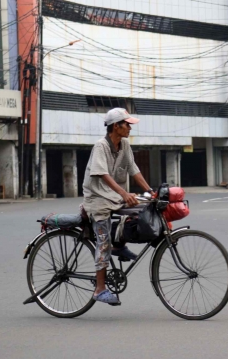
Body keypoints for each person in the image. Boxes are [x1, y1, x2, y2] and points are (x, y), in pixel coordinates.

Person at [82, 107, 155, 305]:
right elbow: (102, 174)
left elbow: (134, 170)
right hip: (97, 199)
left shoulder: (124, 144)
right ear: (116, 126)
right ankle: (99, 289)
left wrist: (150, 191)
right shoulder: (101, 146)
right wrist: (123, 193)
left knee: (141, 209)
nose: (130, 128)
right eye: (127, 124)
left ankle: (119, 244)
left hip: (115, 196)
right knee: (103, 241)